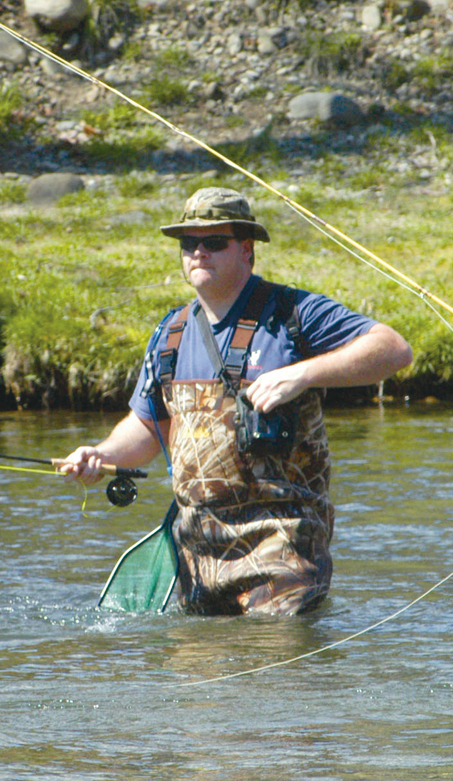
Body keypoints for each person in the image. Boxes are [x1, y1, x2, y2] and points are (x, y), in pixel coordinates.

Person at [60, 187, 412, 615]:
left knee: (275, 672)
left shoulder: (292, 313)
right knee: (206, 678)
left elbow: (393, 349)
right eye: (189, 243)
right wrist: (99, 455)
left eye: (213, 242)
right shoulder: (169, 334)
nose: (198, 253)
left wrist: (303, 373)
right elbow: (149, 427)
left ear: (247, 250)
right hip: (198, 554)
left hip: (283, 546)